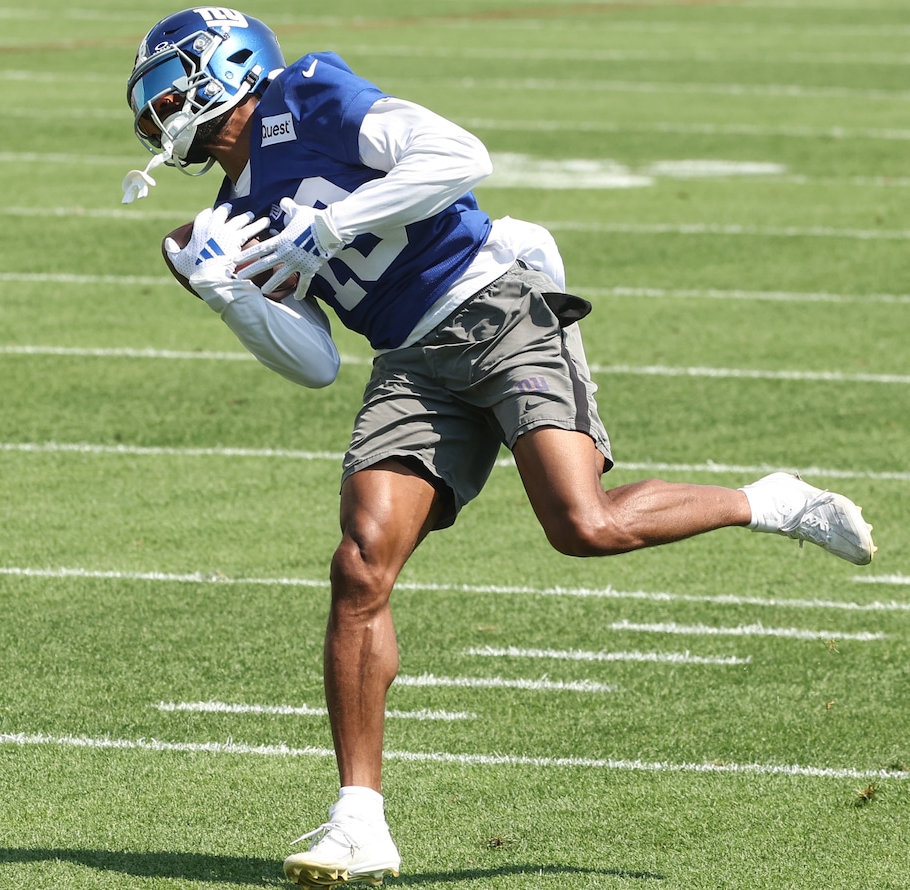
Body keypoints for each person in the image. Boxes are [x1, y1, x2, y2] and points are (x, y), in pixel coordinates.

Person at [123, 8, 876, 888]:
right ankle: (359, 822)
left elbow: (457, 157)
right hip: (410, 362)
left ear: (229, 67)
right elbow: (316, 364)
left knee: (584, 526)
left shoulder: (309, 94)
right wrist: (228, 293)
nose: (155, 109)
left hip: (497, 306)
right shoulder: (220, 223)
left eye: (168, 86)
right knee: (361, 565)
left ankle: (771, 501)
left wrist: (330, 227)